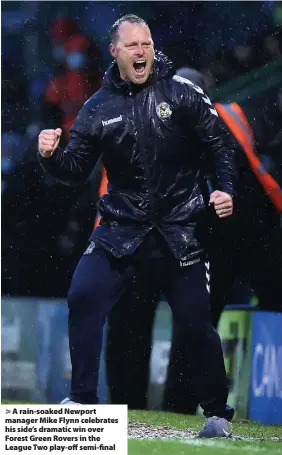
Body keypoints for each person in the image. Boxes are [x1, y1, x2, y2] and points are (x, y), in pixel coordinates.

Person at [37, 14, 238, 438]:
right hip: (120, 229)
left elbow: (219, 141)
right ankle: (82, 402)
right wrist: (52, 156)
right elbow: (75, 170)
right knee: (83, 295)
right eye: (132, 45)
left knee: (196, 321)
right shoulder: (96, 108)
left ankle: (217, 414)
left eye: (146, 43)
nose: (142, 51)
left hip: (178, 229)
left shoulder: (182, 92)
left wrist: (225, 189)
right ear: (115, 51)